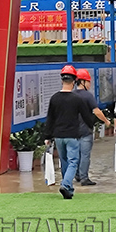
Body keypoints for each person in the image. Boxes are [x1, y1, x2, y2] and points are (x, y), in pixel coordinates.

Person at [44, 65, 95, 199]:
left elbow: (50, 118)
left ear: (62, 80)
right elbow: (87, 116)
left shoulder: (54, 98)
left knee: (64, 161)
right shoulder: (77, 99)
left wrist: (47, 136)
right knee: (73, 162)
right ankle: (65, 184)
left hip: (58, 136)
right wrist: (91, 125)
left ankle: (69, 189)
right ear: (74, 81)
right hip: (72, 135)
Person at [73, 69, 111, 186]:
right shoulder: (88, 96)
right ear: (83, 82)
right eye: (88, 81)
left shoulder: (71, 95)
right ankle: (84, 178)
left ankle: (77, 175)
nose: (90, 84)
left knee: (76, 154)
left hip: (73, 131)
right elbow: (97, 111)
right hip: (85, 130)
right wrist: (106, 121)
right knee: (85, 155)